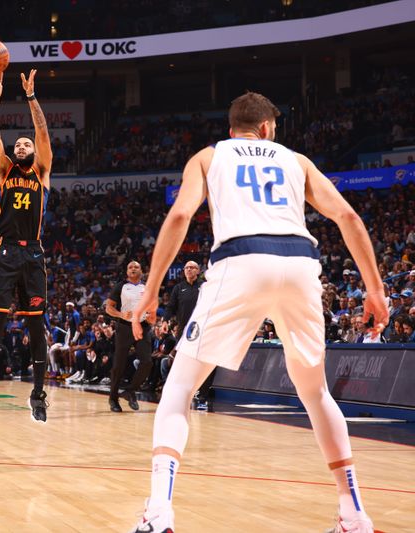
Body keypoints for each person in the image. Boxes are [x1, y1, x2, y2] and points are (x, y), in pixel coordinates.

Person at [129, 92, 388, 533]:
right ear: (268, 128)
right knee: (315, 393)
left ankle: (158, 513)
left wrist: (151, 289)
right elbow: (347, 216)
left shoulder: (210, 157)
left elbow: (179, 217)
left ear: (232, 131)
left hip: (241, 260)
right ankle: (353, 513)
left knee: (179, 389)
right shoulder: (296, 160)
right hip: (301, 264)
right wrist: (376, 290)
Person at [0, 69, 52, 424]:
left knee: (37, 327)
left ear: (35, 152)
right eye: (18, 144)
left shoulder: (42, 171)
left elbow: (42, 132)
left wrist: (31, 97)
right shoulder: (4, 170)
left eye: (27, 144)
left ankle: (38, 393)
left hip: (34, 253)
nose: (22, 145)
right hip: (6, 251)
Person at [104, 261, 154, 412]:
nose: (133, 269)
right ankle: (113, 399)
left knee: (147, 362)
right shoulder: (120, 286)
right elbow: (108, 307)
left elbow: (152, 307)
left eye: (136, 267)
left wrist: (152, 315)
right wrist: (120, 314)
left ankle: (130, 391)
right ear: (127, 272)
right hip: (125, 327)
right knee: (118, 365)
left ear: (141, 271)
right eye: (130, 267)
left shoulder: (147, 287)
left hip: (142, 327)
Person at [165, 260, 211, 409]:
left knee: (204, 364)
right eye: (187, 268)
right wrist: (165, 320)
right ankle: (182, 394)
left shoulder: (205, 287)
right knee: (181, 364)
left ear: (198, 271)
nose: (189, 270)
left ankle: (203, 396)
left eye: (192, 267)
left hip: (202, 330)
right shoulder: (178, 288)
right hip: (184, 332)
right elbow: (171, 307)